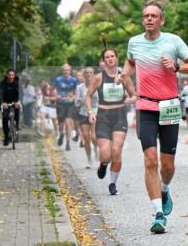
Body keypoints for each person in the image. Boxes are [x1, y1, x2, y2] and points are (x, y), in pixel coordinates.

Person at [123, 1, 188, 234]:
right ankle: (158, 214)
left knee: (167, 164)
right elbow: (130, 62)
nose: (149, 19)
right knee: (150, 160)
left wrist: (176, 66)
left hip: (169, 107)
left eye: (154, 16)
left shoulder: (173, 41)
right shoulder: (134, 42)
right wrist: (123, 75)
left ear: (161, 20)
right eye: (146, 15)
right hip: (145, 106)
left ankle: (165, 189)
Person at [86, 48, 136, 195]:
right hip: (103, 117)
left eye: (112, 56)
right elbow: (88, 96)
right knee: (106, 153)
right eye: (107, 57)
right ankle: (103, 164)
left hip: (120, 115)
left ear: (117, 59)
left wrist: (129, 100)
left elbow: (134, 95)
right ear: (104, 61)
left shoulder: (124, 77)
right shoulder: (98, 78)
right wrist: (90, 112)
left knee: (117, 150)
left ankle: (113, 184)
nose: (110, 59)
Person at [74, 68, 99, 168]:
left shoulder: (97, 86)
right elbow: (76, 102)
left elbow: (100, 101)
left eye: (90, 72)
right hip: (83, 113)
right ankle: (89, 159)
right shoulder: (79, 87)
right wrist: (82, 100)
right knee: (85, 137)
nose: (88, 74)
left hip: (95, 112)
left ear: (93, 74)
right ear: (84, 75)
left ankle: (96, 150)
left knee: (93, 136)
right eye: (86, 73)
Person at [53, 63, 78, 150]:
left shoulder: (74, 80)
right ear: (62, 71)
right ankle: (61, 134)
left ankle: (67, 142)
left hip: (70, 104)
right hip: (60, 103)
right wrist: (56, 95)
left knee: (68, 123)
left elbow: (76, 91)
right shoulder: (58, 79)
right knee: (61, 123)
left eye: (67, 70)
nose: (66, 71)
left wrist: (74, 96)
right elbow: (54, 90)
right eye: (64, 70)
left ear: (70, 71)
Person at [0, 69, 21, 146]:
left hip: (15, 101)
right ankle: (6, 138)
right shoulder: (2, 83)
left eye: (12, 75)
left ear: (14, 76)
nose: (11, 76)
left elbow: (21, 93)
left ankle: (16, 126)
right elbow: (0, 93)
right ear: (7, 75)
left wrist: (18, 101)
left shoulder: (17, 83)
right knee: (5, 119)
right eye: (9, 75)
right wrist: (2, 102)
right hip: (5, 102)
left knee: (17, 111)